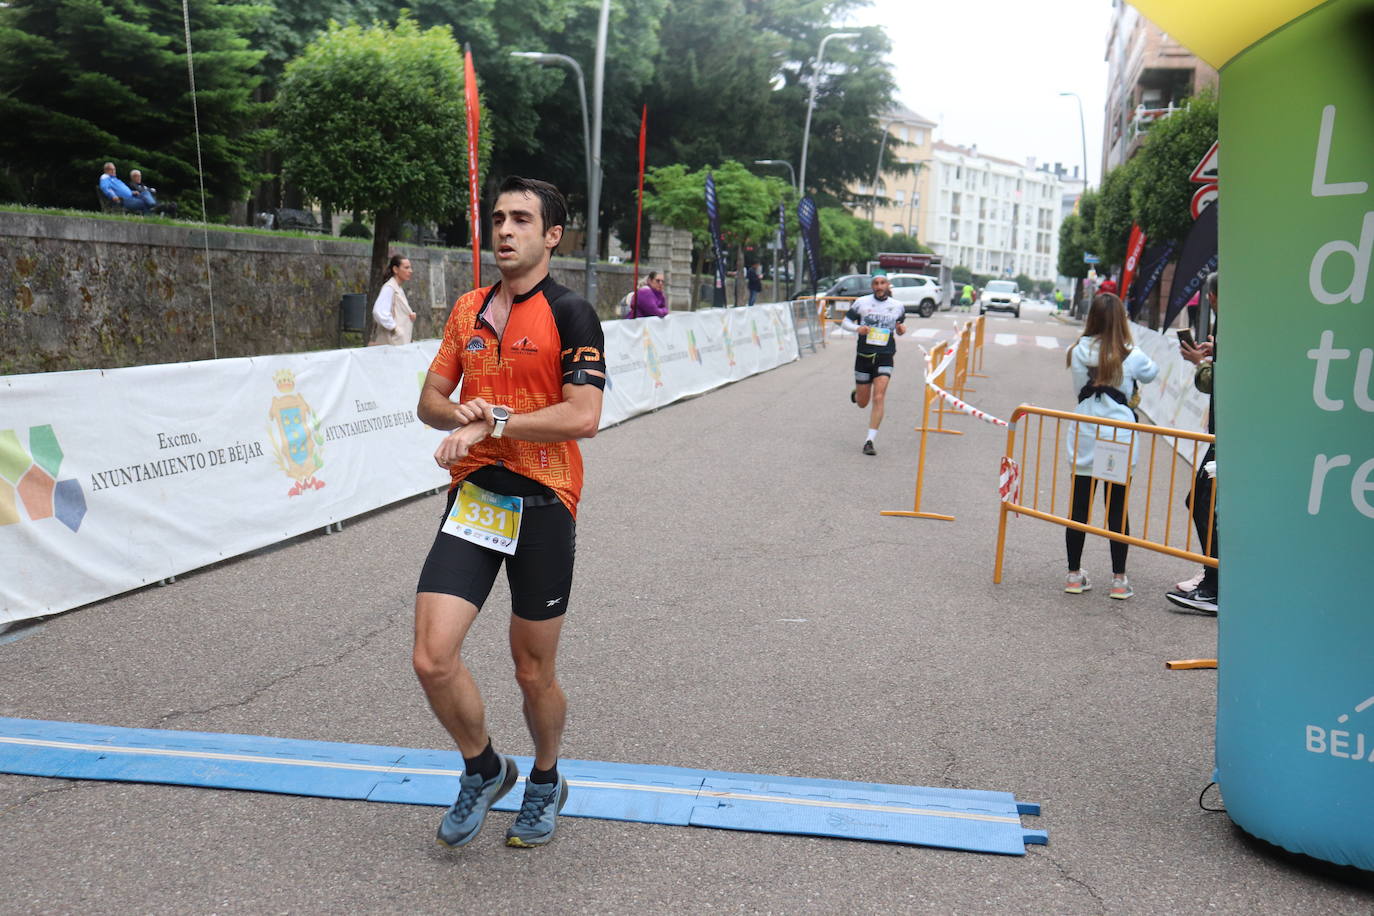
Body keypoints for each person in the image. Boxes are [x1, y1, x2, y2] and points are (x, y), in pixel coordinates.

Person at [413, 176, 606, 849]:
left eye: (521, 219)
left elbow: (583, 416)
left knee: (532, 672)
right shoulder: (468, 309)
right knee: (432, 658)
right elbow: (430, 402)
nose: (504, 229)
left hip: (544, 502)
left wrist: (492, 424)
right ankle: (485, 766)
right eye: (497, 218)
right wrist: (457, 413)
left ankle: (547, 778)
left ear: (552, 235)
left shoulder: (572, 313)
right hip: (475, 500)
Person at [1063, 292, 1159, 599]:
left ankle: (1074, 575)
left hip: (1086, 432)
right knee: (1117, 507)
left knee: (1080, 504)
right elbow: (1152, 372)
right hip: (1118, 435)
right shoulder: (1130, 352)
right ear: (1121, 319)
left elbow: (1079, 387)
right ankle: (1119, 580)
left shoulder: (1078, 350)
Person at [1167, 271, 1219, 614]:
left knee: (1203, 502)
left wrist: (1201, 363)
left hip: (1229, 434)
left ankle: (1216, 586)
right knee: (1203, 501)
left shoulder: (1234, 324)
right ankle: (1213, 576)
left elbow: (1218, 379)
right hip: (1228, 432)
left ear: (1213, 298)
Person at [841, 273, 907, 455]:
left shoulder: (898, 306)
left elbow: (899, 328)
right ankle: (858, 392)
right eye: (876, 283)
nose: (879, 286)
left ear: (888, 285)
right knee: (863, 402)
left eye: (882, 283)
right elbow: (844, 322)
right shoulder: (861, 303)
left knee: (879, 397)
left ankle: (869, 440)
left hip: (885, 356)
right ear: (872, 286)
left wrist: (901, 330)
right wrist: (857, 328)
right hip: (863, 355)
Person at [368, 254, 416, 346]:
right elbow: (379, 311)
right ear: (395, 269)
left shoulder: (397, 288)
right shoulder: (389, 288)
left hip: (399, 343)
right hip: (391, 343)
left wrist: (409, 315)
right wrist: (395, 328)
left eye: (410, 267)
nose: (410, 271)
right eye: (406, 268)